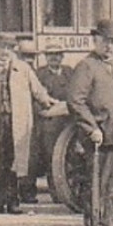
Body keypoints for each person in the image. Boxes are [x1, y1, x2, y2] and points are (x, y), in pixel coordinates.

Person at [66, 20, 113, 226]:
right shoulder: (86, 66)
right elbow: (75, 101)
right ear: (95, 40)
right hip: (100, 136)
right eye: (105, 41)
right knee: (96, 185)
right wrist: (91, 128)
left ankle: (109, 225)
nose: (109, 46)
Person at [0, 38, 57, 215]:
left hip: (17, 121)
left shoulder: (23, 69)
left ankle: (13, 202)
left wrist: (49, 102)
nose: (5, 51)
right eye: (2, 47)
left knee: (14, 160)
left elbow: (37, 90)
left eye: (9, 48)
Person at [28, 44, 77, 204]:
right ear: (45, 57)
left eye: (57, 54)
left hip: (67, 121)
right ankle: (34, 192)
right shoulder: (39, 74)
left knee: (66, 157)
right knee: (46, 156)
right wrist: (44, 110)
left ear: (62, 56)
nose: (54, 57)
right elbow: (33, 96)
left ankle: (62, 191)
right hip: (46, 121)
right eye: (50, 55)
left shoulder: (70, 72)